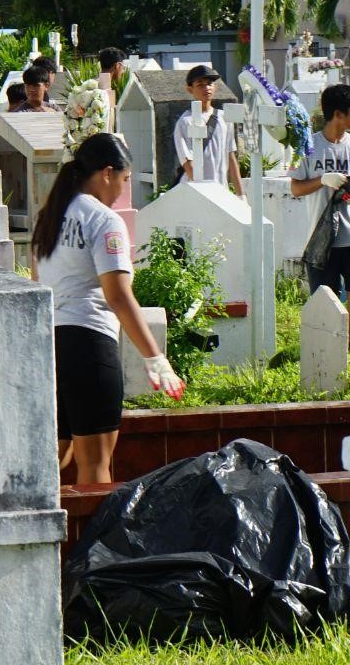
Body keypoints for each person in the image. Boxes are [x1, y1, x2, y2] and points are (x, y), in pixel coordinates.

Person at [38, 133, 183, 483]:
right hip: (88, 344)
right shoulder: (104, 220)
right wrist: (155, 358)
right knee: (95, 466)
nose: (122, 188)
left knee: (52, 462)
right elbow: (117, 295)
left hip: (49, 345)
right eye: (124, 178)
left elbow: (36, 281)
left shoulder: (50, 216)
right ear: (107, 173)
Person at [290, 83, 350, 348]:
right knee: (326, 299)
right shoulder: (307, 146)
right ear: (338, 114)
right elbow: (296, 188)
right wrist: (323, 180)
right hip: (322, 237)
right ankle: (328, 349)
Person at [172, 65, 242, 194]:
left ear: (215, 87)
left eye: (209, 84)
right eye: (200, 84)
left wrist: (241, 194)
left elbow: (231, 157)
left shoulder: (224, 118)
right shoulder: (184, 122)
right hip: (195, 192)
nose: (206, 88)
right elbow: (187, 163)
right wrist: (204, 193)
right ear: (190, 89)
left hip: (221, 189)